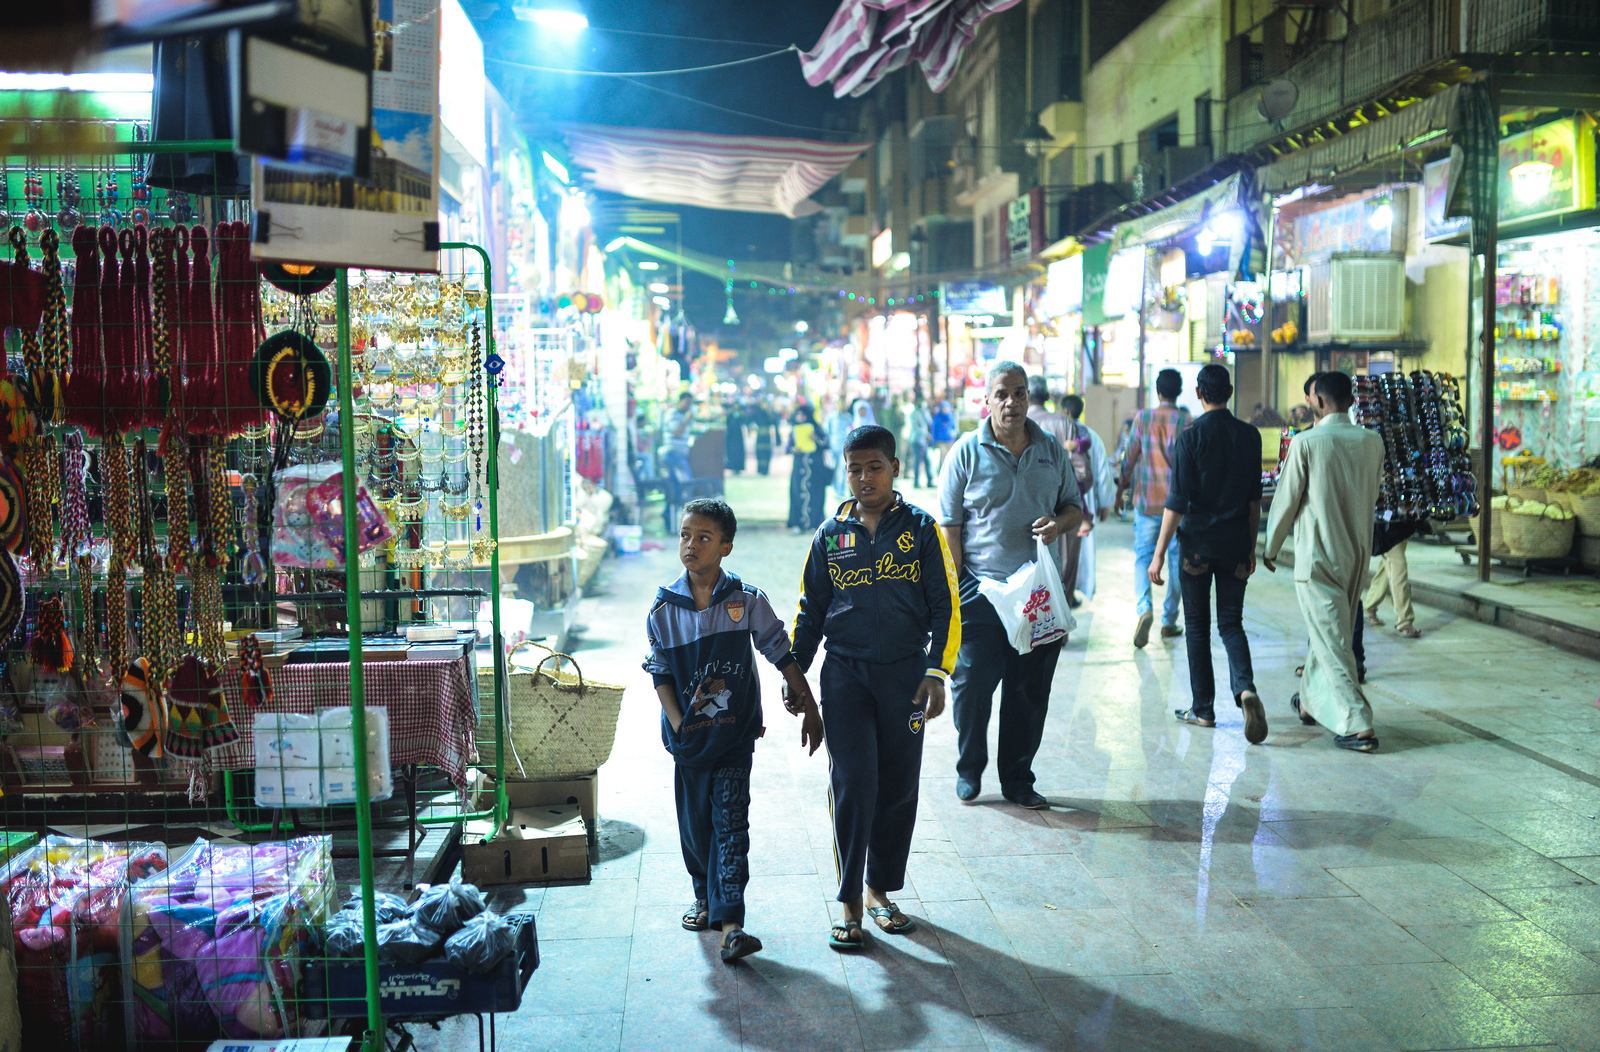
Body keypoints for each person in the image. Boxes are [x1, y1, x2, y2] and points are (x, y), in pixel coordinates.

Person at [791, 424, 960, 951]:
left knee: (897, 786)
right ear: (845, 471)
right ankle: (847, 901)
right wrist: (796, 673)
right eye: (855, 469)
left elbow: (947, 606)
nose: (865, 478)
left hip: (905, 678)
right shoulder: (829, 536)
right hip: (845, 675)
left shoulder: (922, 530)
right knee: (854, 784)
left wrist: (937, 671)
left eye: (875, 467)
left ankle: (879, 891)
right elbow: (810, 610)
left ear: (895, 468)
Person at [643, 499, 824, 962]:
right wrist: (679, 722)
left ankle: (731, 924)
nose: (691, 545)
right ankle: (703, 897)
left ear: (726, 547)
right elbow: (660, 671)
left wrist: (808, 704)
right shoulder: (664, 609)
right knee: (695, 827)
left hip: (734, 737)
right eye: (685, 535)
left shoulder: (746, 600)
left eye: (704, 538)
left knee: (730, 825)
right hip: (688, 742)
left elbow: (781, 652)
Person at [940, 361, 1083, 808]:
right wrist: (957, 588)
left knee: (1029, 690)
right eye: (1002, 394)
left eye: (1019, 393)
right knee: (972, 685)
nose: (1011, 402)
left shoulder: (1050, 451)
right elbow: (951, 526)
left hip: (1038, 595)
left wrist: (1058, 525)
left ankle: (1018, 779)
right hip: (982, 590)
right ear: (987, 400)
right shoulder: (966, 452)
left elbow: (1074, 509)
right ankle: (970, 767)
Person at [1264, 371, 1385, 753]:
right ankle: (1309, 702)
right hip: (1355, 554)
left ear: (1318, 401)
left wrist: (1270, 547)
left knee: (1333, 640)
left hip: (1317, 555)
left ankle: (1357, 721)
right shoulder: (1372, 442)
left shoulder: (1307, 443)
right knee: (1330, 632)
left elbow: (1286, 500)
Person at [1148, 364, 1267, 744]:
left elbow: (1177, 502)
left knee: (1197, 629)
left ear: (1199, 393)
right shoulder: (1250, 436)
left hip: (1196, 547)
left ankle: (1203, 709)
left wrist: (1158, 553)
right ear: (1229, 392)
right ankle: (1245, 689)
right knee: (1231, 624)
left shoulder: (1190, 437)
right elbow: (1253, 503)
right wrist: (1250, 548)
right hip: (1234, 544)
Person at [1117, 368, 1191, 647]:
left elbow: (1130, 457)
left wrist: (1121, 486)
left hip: (1146, 502)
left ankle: (1144, 608)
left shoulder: (1143, 418)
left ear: (1157, 391)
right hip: (1178, 505)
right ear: (1179, 391)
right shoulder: (1186, 420)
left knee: (1143, 557)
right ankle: (1169, 621)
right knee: (1176, 562)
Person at [1061, 393, 1115, 605]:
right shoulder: (1090, 435)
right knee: (1080, 549)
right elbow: (1102, 472)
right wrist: (1105, 503)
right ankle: (1071, 591)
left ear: (1063, 411)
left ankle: (1065, 592)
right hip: (1086, 499)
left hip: (1059, 500)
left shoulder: (1053, 433)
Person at [1364, 533, 1421, 638]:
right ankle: (1404, 622)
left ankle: (1370, 606)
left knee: (1389, 565)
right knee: (1398, 567)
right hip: (1389, 526)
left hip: (1399, 526)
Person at [788, 405, 829, 532]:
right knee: (797, 492)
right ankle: (798, 523)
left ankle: (814, 522)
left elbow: (826, 444)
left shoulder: (817, 429)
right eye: (798, 415)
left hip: (815, 468)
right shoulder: (794, 430)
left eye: (803, 415)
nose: (800, 417)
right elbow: (788, 447)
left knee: (816, 492)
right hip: (799, 466)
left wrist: (815, 438)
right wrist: (794, 449)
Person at [661, 392, 696, 532]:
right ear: (680, 401)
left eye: (690, 403)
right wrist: (687, 420)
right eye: (686, 403)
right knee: (685, 485)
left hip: (679, 455)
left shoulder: (683, 415)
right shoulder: (673, 414)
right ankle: (680, 519)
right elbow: (676, 431)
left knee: (675, 488)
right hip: (673, 455)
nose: (688, 406)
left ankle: (669, 516)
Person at [904, 393, 935, 488]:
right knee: (917, 461)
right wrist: (926, 434)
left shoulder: (924, 412)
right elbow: (916, 428)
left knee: (927, 460)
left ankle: (929, 481)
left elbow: (930, 422)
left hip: (924, 441)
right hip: (916, 440)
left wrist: (926, 412)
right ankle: (916, 482)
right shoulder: (913, 413)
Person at [749, 397, 776, 476]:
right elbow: (750, 420)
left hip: (767, 435)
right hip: (760, 435)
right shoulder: (758, 412)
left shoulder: (769, 413)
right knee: (760, 452)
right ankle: (760, 469)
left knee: (766, 452)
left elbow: (773, 421)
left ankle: (766, 470)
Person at [930, 396, 957, 467]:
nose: (945, 409)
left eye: (946, 408)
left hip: (950, 441)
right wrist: (933, 442)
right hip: (941, 441)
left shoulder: (951, 417)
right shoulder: (937, 417)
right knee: (943, 457)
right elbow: (934, 430)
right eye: (944, 408)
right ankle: (942, 473)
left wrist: (953, 434)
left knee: (950, 458)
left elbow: (955, 428)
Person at [724, 399, 746, 474]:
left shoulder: (741, 414)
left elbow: (743, 421)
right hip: (731, 435)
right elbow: (727, 422)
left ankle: (738, 468)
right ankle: (732, 467)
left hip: (738, 435)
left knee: (738, 451)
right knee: (731, 451)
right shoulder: (730, 414)